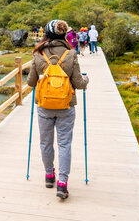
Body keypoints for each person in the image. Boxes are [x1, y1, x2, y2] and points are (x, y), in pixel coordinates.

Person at [27, 20, 89, 199]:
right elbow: (78, 83)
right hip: (65, 106)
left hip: (44, 106)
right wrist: (87, 80)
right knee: (64, 144)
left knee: (45, 143)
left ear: (46, 33)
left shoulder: (38, 53)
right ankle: (62, 183)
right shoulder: (70, 54)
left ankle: (49, 175)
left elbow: (31, 82)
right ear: (64, 34)